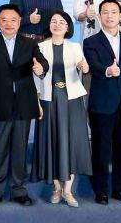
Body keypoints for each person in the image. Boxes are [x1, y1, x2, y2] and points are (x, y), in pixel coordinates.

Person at [0, 4, 48, 207]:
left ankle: (19, 190)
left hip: (23, 105)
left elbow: (42, 63)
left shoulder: (30, 43)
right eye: (4, 20)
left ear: (19, 22)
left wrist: (41, 67)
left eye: (13, 20)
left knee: (20, 149)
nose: (9, 24)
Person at [83, 0, 121, 205]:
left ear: (120, 16)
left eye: (114, 12)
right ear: (99, 17)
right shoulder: (90, 42)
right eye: (105, 12)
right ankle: (100, 190)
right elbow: (93, 66)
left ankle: (120, 189)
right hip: (101, 104)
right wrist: (108, 70)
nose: (109, 16)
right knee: (101, 149)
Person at [30, 11, 91, 208]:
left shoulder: (75, 47)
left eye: (62, 22)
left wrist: (84, 66)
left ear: (67, 27)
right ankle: (56, 187)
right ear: (49, 25)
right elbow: (35, 77)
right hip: (49, 99)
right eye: (54, 22)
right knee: (52, 141)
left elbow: (84, 69)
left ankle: (68, 190)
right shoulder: (40, 47)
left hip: (71, 100)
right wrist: (37, 101)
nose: (57, 25)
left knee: (71, 141)